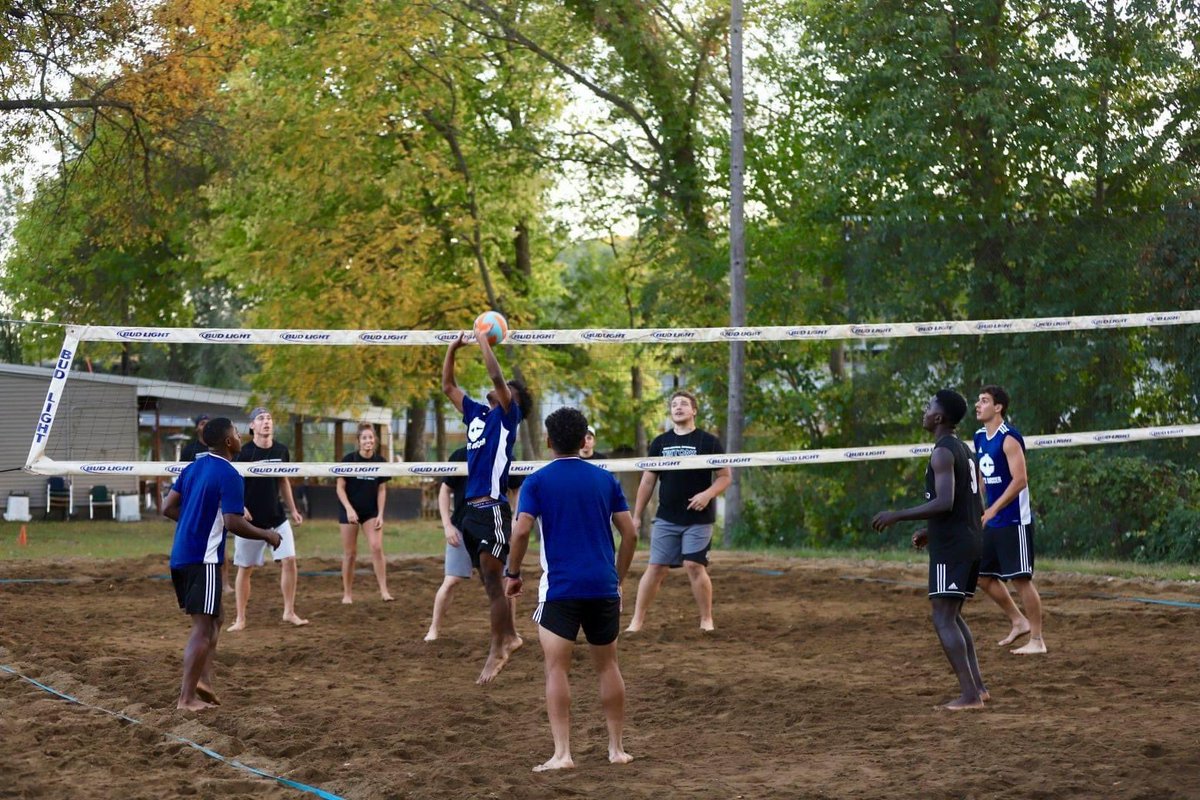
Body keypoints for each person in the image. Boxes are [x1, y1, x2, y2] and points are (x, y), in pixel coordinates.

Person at [505, 407, 638, 772]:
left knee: (556, 670)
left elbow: (519, 531)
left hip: (560, 588)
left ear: (548, 442)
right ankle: (616, 749)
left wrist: (513, 573)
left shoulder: (537, 481)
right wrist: (618, 577)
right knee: (608, 665)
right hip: (602, 586)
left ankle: (563, 754)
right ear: (584, 441)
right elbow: (631, 533)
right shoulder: (605, 479)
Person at [872, 390, 987, 711]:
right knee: (953, 615)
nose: (924, 411)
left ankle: (969, 696)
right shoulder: (963, 449)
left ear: (939, 418)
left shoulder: (942, 453)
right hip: (968, 539)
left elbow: (946, 501)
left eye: (928, 407)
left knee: (943, 618)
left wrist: (898, 515)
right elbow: (969, 504)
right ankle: (978, 688)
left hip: (954, 547)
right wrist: (929, 530)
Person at [163, 417, 281, 711]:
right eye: (238, 433)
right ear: (229, 442)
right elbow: (233, 522)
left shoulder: (192, 467)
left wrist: (197, 523)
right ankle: (186, 698)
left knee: (215, 619)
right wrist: (268, 535)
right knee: (203, 627)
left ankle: (203, 680)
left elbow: (167, 507)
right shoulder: (229, 473)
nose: (242, 437)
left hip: (181, 554)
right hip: (202, 559)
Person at [441, 323, 533, 684]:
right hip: (468, 511)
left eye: (508, 390)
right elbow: (448, 386)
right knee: (488, 584)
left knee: (494, 582)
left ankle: (500, 647)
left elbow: (496, 374)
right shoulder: (477, 414)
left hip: (493, 506)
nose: (500, 388)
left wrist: (483, 337)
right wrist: (453, 349)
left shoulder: (507, 418)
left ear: (514, 402)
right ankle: (508, 636)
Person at [625, 390, 731, 632]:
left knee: (694, 565)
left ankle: (706, 619)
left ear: (694, 410)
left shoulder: (708, 441)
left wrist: (707, 494)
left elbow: (725, 477)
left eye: (684, 404)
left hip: (699, 519)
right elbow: (647, 482)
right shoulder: (660, 443)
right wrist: (637, 515)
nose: (678, 407)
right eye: (674, 404)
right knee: (656, 568)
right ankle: (636, 621)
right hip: (667, 517)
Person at [973, 386, 1046, 655]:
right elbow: (982, 475)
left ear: (998, 407)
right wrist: (979, 506)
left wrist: (994, 509)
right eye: (978, 401)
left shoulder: (1009, 438)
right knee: (982, 576)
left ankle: (1037, 640)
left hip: (1014, 519)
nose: (978, 405)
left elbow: (1020, 481)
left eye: (984, 401)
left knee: (1021, 579)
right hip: (993, 519)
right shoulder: (980, 437)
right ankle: (1019, 621)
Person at [227, 408, 308, 631]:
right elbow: (232, 484)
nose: (266, 422)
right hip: (250, 522)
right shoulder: (243, 453)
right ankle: (241, 618)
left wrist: (293, 509)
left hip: (277, 517)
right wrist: (240, 507)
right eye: (261, 419)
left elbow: (283, 481)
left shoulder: (281, 450)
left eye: (269, 418)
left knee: (290, 560)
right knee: (245, 568)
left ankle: (289, 612)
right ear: (252, 426)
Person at [336, 422, 392, 603]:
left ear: (374, 440)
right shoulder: (348, 460)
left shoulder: (380, 462)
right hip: (349, 509)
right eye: (364, 438)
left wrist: (381, 514)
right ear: (358, 441)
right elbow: (340, 488)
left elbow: (382, 490)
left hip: (370, 511)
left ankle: (384, 591)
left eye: (370, 437)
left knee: (376, 547)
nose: (368, 440)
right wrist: (349, 509)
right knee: (350, 553)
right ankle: (347, 594)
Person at [424, 446, 471, 641]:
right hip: (461, 527)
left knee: (504, 582)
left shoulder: (501, 449)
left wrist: (512, 520)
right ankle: (434, 628)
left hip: (493, 528)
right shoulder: (460, 455)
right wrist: (447, 525)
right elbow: (444, 491)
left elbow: (517, 488)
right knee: (451, 580)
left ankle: (508, 632)